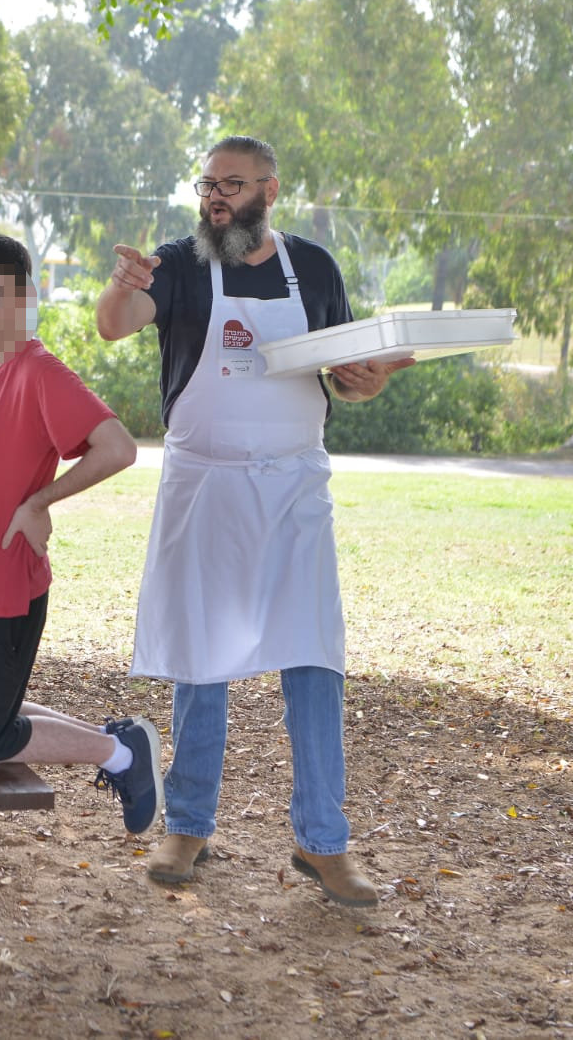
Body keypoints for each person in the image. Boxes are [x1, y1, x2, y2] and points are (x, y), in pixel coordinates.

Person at [94, 135, 413, 907]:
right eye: (208, 183)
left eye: (232, 184)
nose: (216, 197)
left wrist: (367, 381)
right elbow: (114, 323)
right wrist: (118, 286)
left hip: (295, 493)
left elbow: (347, 377)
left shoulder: (316, 269)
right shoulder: (177, 266)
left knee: (314, 660)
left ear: (271, 190)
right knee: (202, 661)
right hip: (206, 490)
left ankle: (323, 841)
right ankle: (189, 821)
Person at [0, 233, 164, 836]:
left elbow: (118, 448)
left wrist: (41, 500)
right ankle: (117, 737)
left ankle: (122, 755)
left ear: (24, 297)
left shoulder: (39, 370)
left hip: (0, 587)